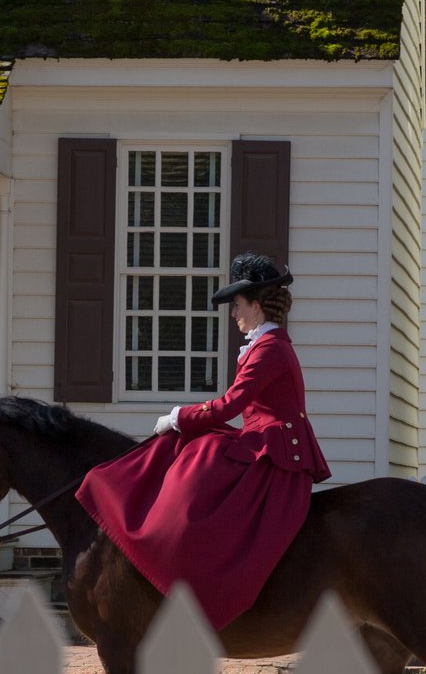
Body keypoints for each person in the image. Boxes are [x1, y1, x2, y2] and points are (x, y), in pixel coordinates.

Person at [75, 252, 331, 630]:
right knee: (189, 448)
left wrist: (179, 416)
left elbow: (230, 405)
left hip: (277, 455)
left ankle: (191, 566)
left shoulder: (270, 349)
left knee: (199, 460)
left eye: (238, 305)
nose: (233, 314)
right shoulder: (265, 345)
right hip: (263, 443)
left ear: (256, 306)